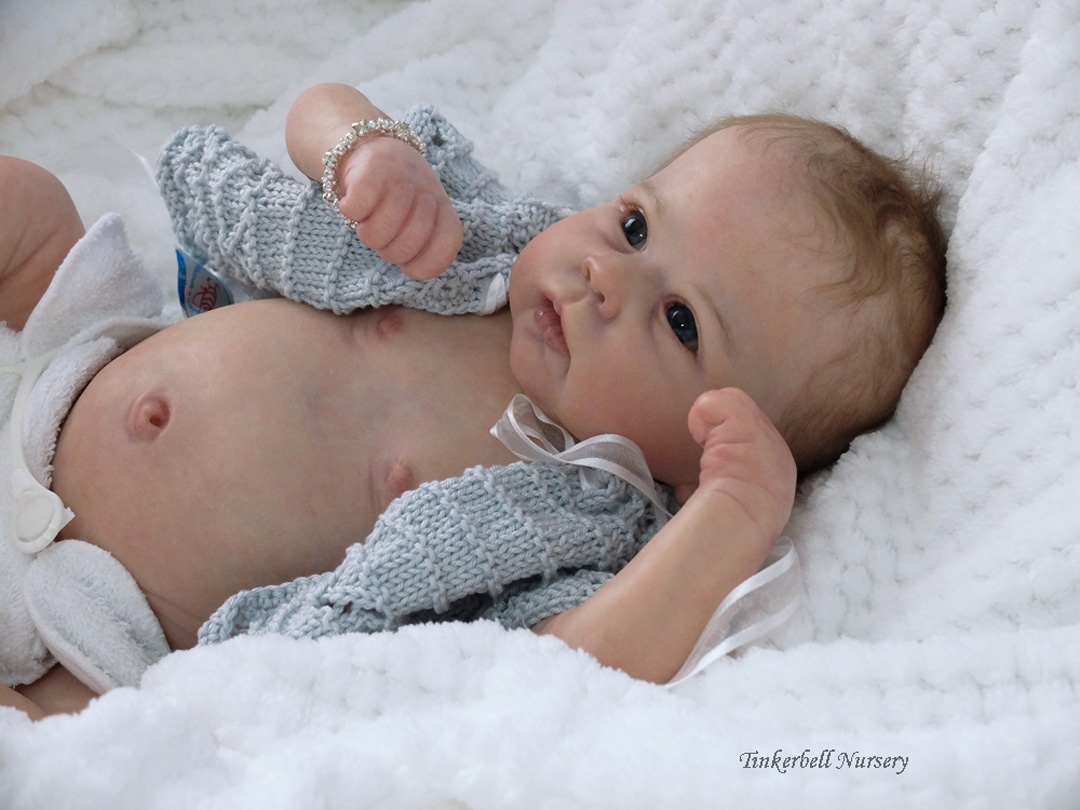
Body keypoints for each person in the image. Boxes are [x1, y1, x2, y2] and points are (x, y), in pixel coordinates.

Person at [0, 83, 946, 719]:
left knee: (49, 746)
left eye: (681, 322)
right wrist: (366, 154)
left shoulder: (580, 528)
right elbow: (315, 110)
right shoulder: (478, 241)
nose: (605, 276)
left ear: (705, 451)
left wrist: (729, 520)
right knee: (27, 204)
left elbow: (580, 661)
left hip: (99, 632)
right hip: (77, 354)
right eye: (634, 225)